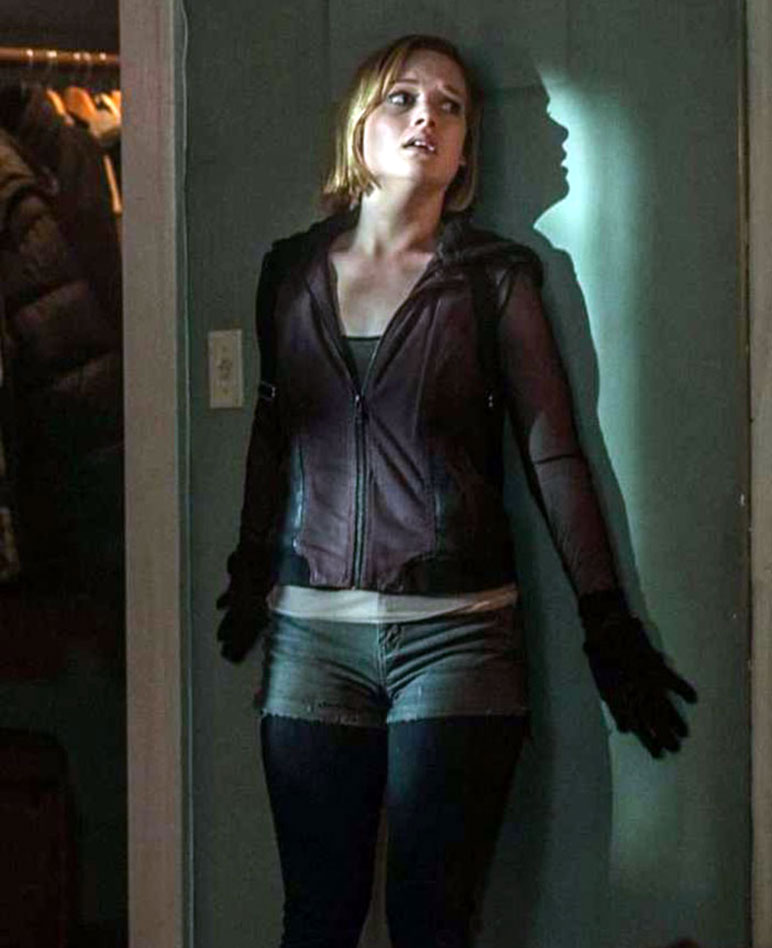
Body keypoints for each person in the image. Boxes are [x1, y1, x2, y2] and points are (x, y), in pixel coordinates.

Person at [216, 33, 697, 948]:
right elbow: (275, 432)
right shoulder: (289, 272)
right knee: (316, 919)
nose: (426, 118)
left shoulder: (495, 278)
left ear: (467, 149)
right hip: (312, 643)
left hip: (460, 641)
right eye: (403, 98)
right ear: (360, 124)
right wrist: (249, 563)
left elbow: (554, 455)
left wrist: (606, 619)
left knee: (433, 925)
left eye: (450, 105)